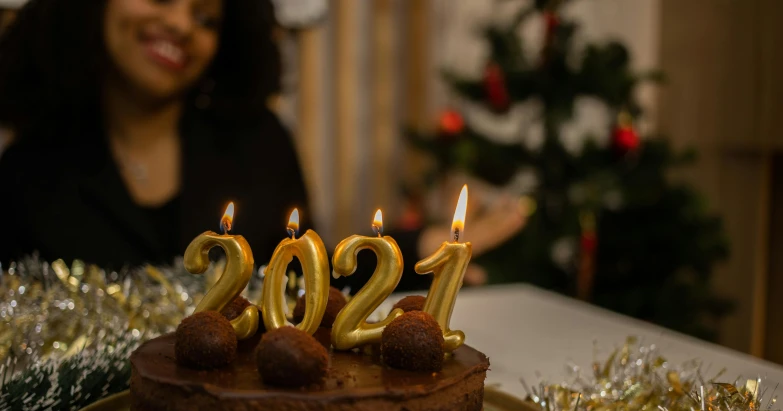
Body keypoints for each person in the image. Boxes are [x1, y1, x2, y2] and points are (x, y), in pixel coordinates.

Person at [0, 0, 525, 289]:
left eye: (207, 17)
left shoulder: (258, 142)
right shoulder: (25, 171)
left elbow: (298, 277)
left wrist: (408, 252)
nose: (181, 23)